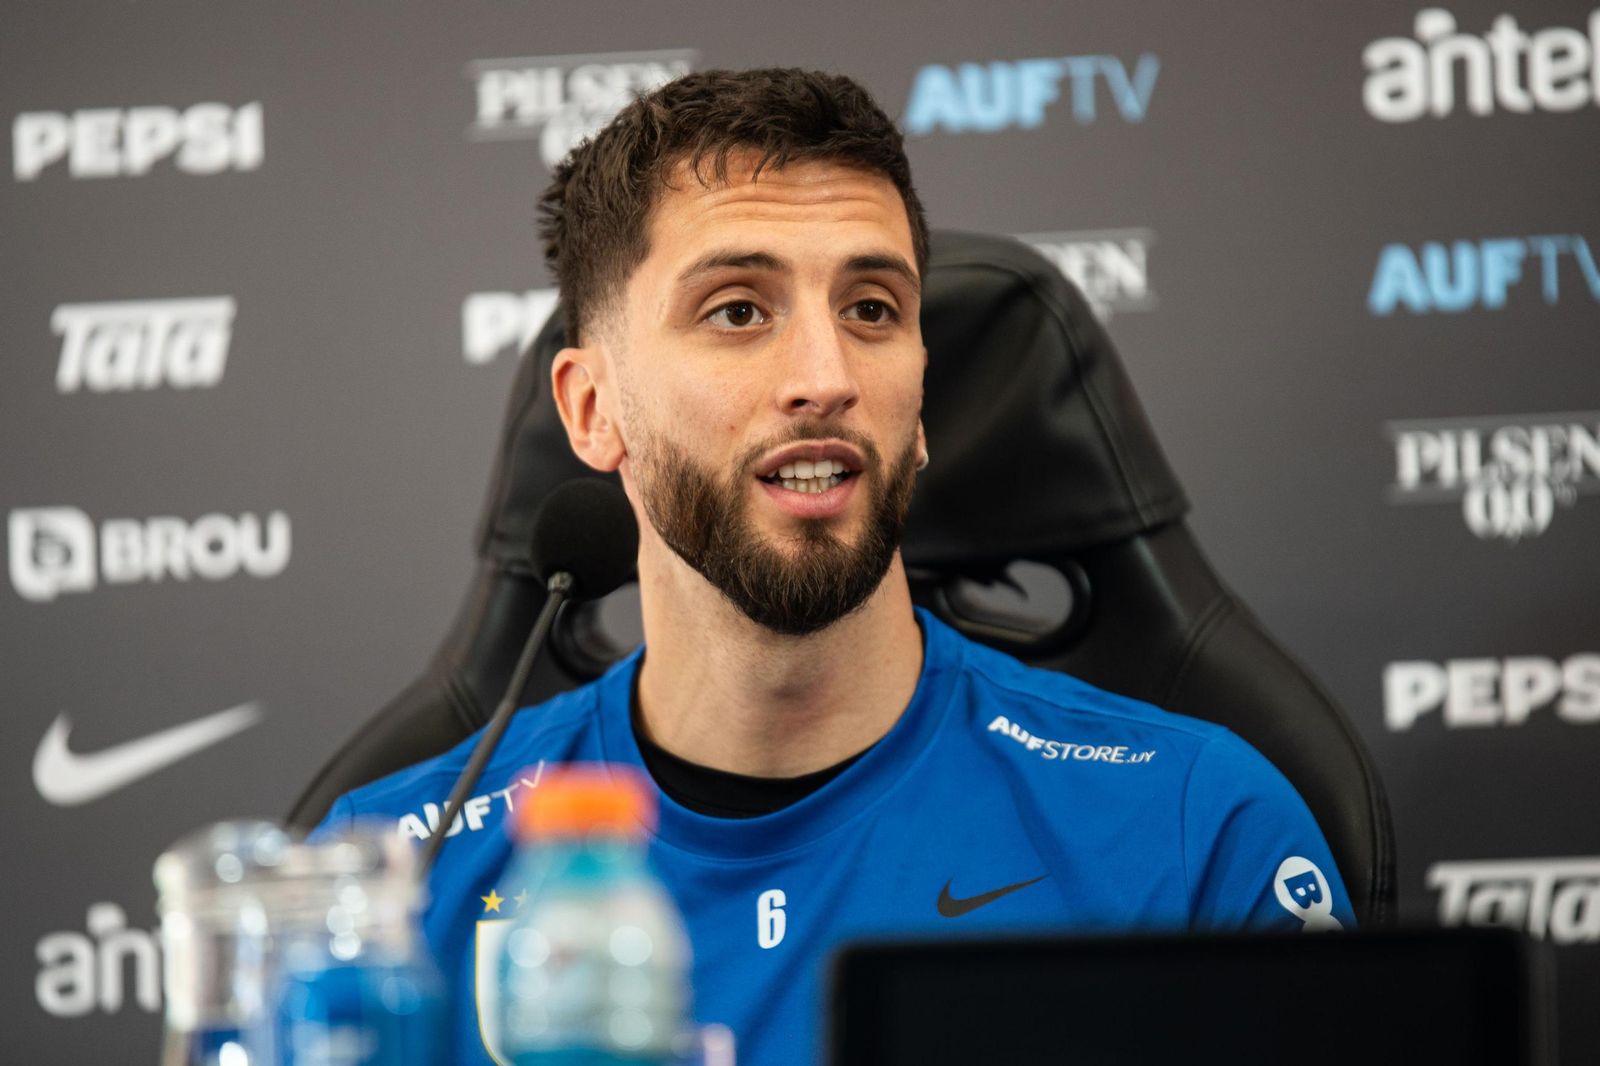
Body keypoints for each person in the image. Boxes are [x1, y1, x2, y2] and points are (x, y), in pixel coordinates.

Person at [319, 67, 1354, 1065]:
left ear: (919, 402)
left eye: (871, 310)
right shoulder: (384, 884)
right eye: (737, 310)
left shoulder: (1194, 828)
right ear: (593, 409)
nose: (826, 377)